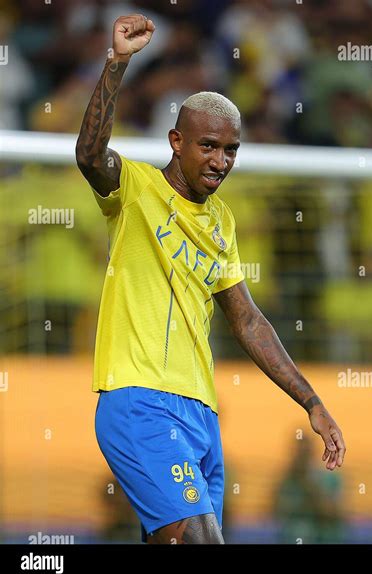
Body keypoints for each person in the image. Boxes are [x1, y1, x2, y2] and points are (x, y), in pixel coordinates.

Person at [75, 14, 346, 545]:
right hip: (141, 401)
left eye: (231, 150)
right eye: (208, 147)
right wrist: (118, 62)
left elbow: (246, 318)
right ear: (177, 141)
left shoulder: (221, 222)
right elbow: (89, 154)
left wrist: (312, 402)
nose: (221, 161)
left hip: (201, 414)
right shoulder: (135, 189)